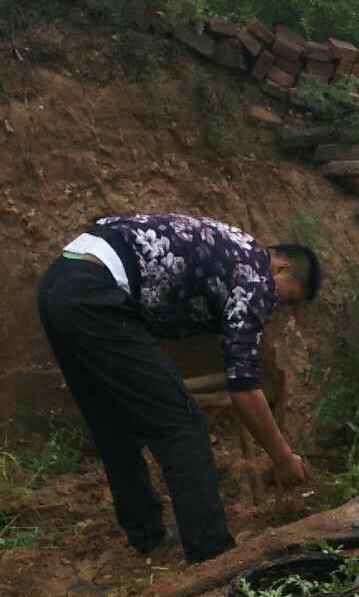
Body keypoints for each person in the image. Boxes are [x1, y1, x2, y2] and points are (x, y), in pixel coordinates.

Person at [37, 211, 321, 565]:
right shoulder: (256, 276)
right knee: (183, 426)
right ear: (280, 268)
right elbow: (244, 388)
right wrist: (283, 459)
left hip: (61, 282)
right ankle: (214, 557)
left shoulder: (231, 247)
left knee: (112, 422)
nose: (276, 308)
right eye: (287, 298)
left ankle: (147, 536)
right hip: (98, 291)